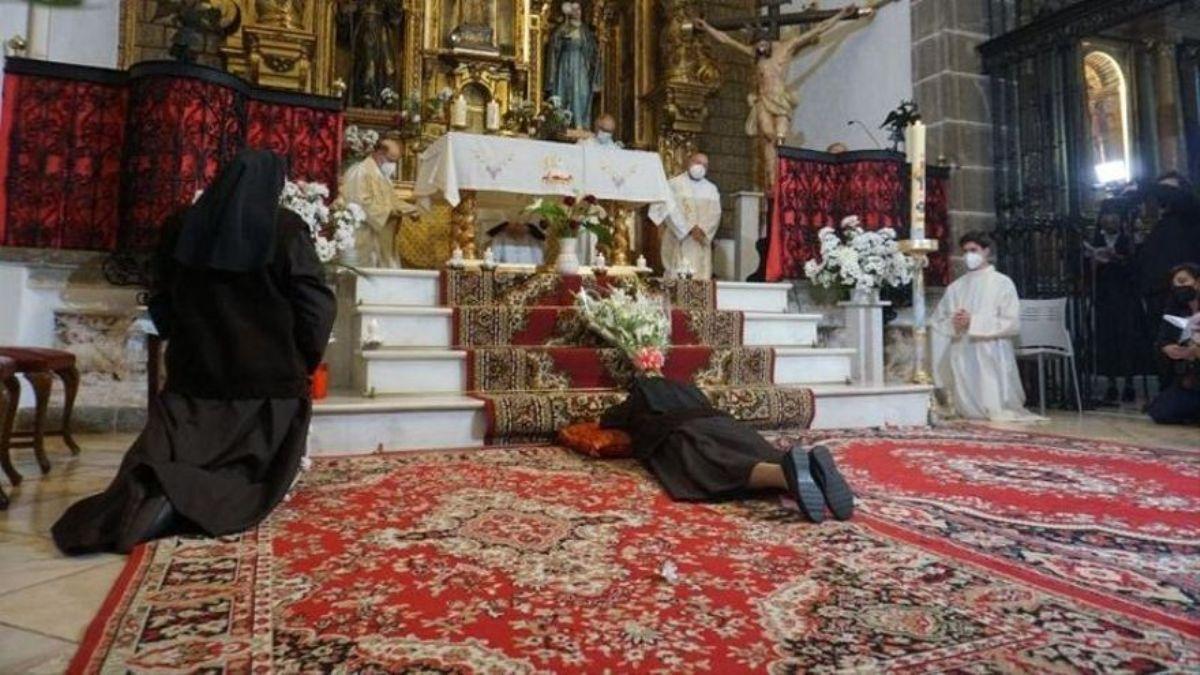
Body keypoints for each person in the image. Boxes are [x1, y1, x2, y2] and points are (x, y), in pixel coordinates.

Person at [52, 150, 337, 555]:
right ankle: (176, 501)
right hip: (267, 386)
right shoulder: (285, 229)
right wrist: (301, 360)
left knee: (165, 454)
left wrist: (183, 341)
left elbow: (162, 296)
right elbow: (315, 306)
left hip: (192, 380)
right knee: (248, 476)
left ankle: (150, 498)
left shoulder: (180, 226)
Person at [601, 375, 853, 522]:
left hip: (682, 429)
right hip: (724, 423)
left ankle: (783, 475)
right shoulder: (692, 390)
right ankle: (807, 471)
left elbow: (610, 420)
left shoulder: (641, 395)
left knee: (710, 465)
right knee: (753, 450)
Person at [695, 5, 871, 189]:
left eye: (762, 44)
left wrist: (841, 13)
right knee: (767, 137)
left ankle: (779, 180)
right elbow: (726, 41)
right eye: (756, 45)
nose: (759, 48)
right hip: (763, 100)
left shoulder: (786, 48)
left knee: (780, 140)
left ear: (769, 41)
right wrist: (707, 27)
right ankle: (771, 180)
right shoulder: (756, 55)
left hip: (780, 100)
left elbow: (818, 29)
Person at [931, 232, 1042, 422]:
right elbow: (939, 319)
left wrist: (973, 321)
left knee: (993, 400)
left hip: (992, 346)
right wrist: (955, 322)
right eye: (965, 251)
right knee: (967, 408)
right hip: (964, 345)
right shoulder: (956, 287)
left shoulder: (1002, 283)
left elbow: (1011, 321)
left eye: (973, 250)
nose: (968, 256)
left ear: (986, 251)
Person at [1139, 173, 1200, 357]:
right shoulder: (1162, 224)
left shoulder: (1191, 215)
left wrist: (1144, 186)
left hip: (1188, 293)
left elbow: (1185, 200)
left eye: (1169, 189)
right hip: (1160, 294)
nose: (1164, 195)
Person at [1089, 202, 1144, 403]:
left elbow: (1137, 269)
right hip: (1104, 298)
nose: (1110, 220)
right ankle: (1110, 384)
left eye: (1114, 216)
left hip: (1126, 297)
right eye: (1106, 216)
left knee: (1128, 339)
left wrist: (1118, 259)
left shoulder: (1129, 241)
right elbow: (1084, 272)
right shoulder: (1095, 240)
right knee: (1107, 340)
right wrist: (1094, 262)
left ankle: (1128, 383)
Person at [341, 137, 416, 268]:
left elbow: (393, 201)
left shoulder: (382, 176)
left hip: (381, 237)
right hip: (364, 236)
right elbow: (362, 204)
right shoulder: (361, 171)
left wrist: (411, 209)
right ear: (380, 153)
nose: (393, 166)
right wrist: (390, 212)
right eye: (391, 160)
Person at [1146, 263, 1200, 425]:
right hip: (1189, 376)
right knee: (1161, 412)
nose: (1179, 287)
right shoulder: (1174, 309)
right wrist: (1168, 348)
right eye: (1175, 285)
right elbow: (1163, 339)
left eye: (1183, 281)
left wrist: (1194, 350)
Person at [653, 152, 721, 279]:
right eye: (698, 162)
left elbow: (715, 213)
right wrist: (688, 228)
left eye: (705, 165)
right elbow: (669, 210)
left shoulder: (711, 189)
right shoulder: (673, 184)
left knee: (699, 277)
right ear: (688, 163)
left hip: (700, 239)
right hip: (678, 237)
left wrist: (703, 230)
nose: (701, 167)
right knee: (677, 276)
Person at [546, 1, 601, 130]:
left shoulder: (585, 31)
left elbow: (592, 51)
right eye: (574, 10)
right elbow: (554, 48)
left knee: (581, 93)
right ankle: (560, 124)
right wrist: (561, 40)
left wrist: (597, 50)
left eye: (579, 10)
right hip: (564, 65)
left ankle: (579, 123)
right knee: (563, 91)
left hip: (581, 66)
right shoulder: (562, 29)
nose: (577, 13)